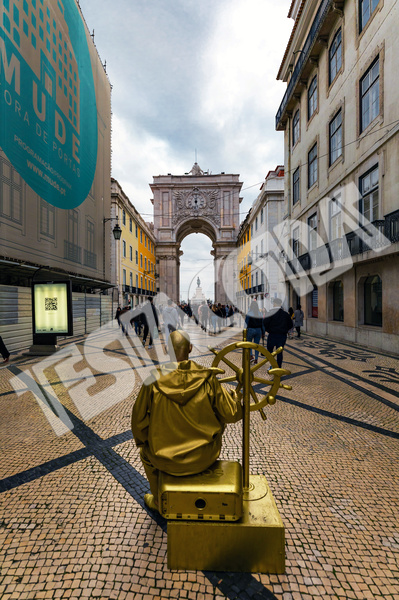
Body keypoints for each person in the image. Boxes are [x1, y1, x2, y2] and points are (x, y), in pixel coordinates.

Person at [131, 330, 242, 511]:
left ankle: (159, 501)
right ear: (190, 348)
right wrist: (236, 399)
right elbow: (232, 414)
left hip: (164, 460)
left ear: (167, 350)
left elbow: (138, 422)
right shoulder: (207, 377)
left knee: (145, 453)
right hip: (205, 456)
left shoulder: (152, 380)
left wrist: (148, 443)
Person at [263, 298, 293, 368]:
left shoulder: (270, 313)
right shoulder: (285, 314)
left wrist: (268, 330)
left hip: (272, 335)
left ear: (274, 304)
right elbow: (290, 325)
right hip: (282, 336)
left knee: (270, 351)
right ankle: (278, 367)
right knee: (280, 352)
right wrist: (284, 330)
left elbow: (265, 323)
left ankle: (272, 365)